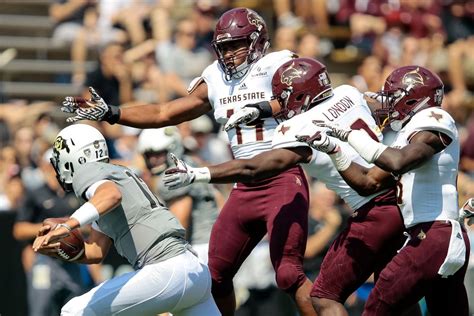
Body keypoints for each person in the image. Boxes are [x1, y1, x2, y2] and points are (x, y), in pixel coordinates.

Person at [60, 7, 317, 316]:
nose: (230, 54)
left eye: (237, 44)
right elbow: (163, 113)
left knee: (288, 273)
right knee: (215, 277)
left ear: (258, 41)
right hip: (243, 186)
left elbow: (313, 93)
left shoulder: (278, 64)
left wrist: (265, 107)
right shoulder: (216, 78)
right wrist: (113, 112)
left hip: (282, 177)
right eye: (224, 47)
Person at [162, 57, 406, 316]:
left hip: (372, 211)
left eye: (283, 97)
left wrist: (201, 173)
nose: (280, 103)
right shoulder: (349, 93)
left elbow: (252, 168)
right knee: (395, 294)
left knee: (325, 297)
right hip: (401, 199)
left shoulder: (297, 128)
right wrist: (261, 109)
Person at [298, 65, 470, 315]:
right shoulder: (406, 137)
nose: (388, 104)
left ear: (414, 98)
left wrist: (351, 136)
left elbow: (398, 162)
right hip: (439, 236)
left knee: (376, 310)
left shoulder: (434, 117)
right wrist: (333, 150)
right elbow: (369, 182)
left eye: (394, 97)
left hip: (431, 236)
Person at [32, 124, 220, 315]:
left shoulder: (87, 173)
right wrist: (60, 249)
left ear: (74, 156)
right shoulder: (116, 175)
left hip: (164, 268)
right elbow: (95, 252)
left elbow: (111, 195)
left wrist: (67, 225)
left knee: (73, 311)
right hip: (194, 272)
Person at [137, 126, 220, 263]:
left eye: (158, 154)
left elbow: (179, 224)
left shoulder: (173, 175)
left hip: (198, 247)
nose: (153, 161)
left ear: (172, 149)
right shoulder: (190, 163)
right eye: (149, 155)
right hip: (212, 242)